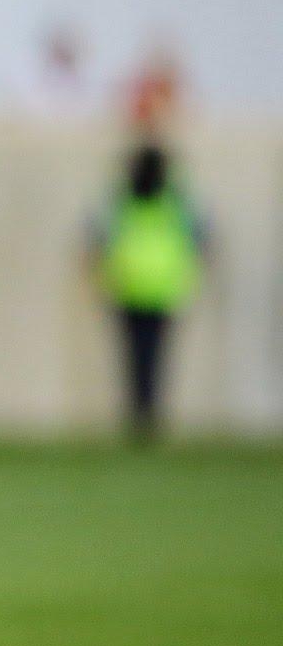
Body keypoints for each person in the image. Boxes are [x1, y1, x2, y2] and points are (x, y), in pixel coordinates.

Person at [91, 141, 206, 442]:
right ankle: (149, 413)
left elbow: (98, 238)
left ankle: (140, 413)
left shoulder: (122, 200)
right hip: (164, 288)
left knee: (135, 355)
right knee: (155, 354)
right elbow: (199, 239)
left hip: (127, 286)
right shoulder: (175, 202)